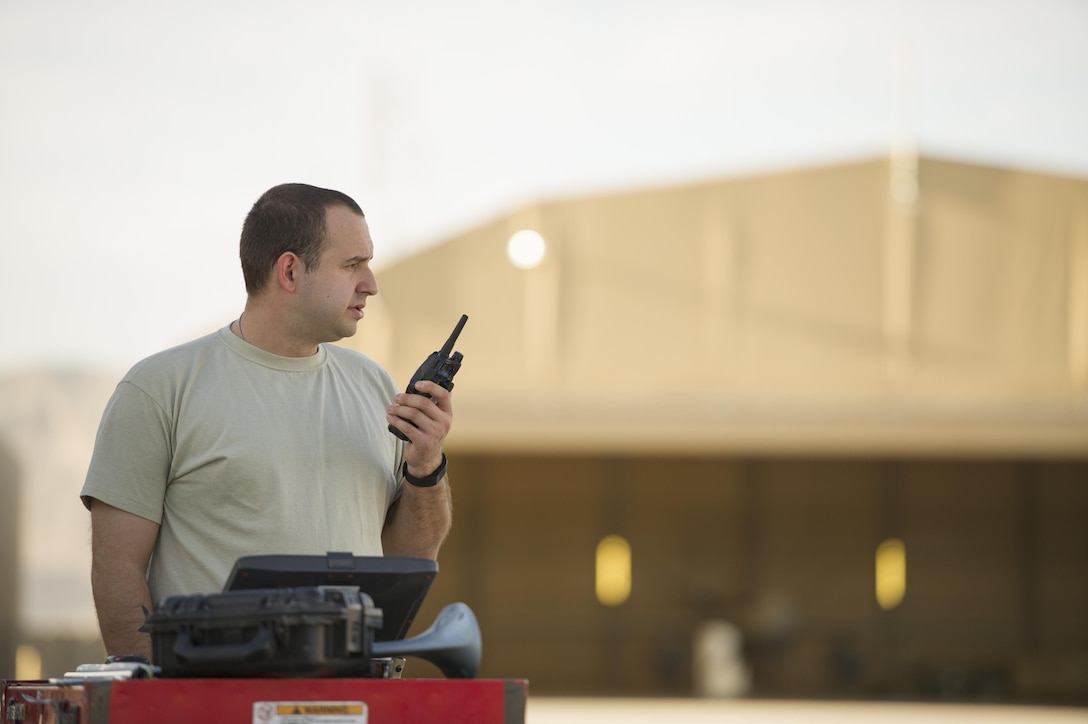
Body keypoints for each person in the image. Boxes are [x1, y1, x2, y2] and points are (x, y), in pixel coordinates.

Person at [80, 183, 454, 660]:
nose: (372, 284)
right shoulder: (159, 389)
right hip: (213, 700)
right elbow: (117, 569)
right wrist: (154, 697)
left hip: (351, 698)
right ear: (291, 271)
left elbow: (408, 564)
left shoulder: (377, 387)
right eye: (352, 265)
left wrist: (427, 467)